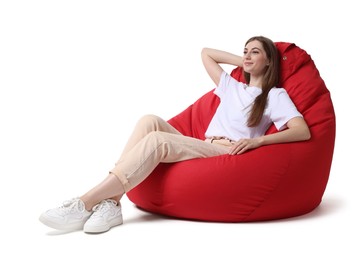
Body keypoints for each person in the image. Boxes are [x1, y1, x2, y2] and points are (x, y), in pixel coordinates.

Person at [39, 36, 311, 233]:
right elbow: (206, 52)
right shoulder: (231, 85)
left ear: (269, 61)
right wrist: (241, 60)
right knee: (149, 121)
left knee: (158, 141)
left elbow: (302, 131)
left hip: (229, 152)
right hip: (205, 144)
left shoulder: (274, 95)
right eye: (246, 51)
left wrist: (258, 140)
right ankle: (112, 203)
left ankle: (84, 203)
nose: (248, 56)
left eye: (255, 52)